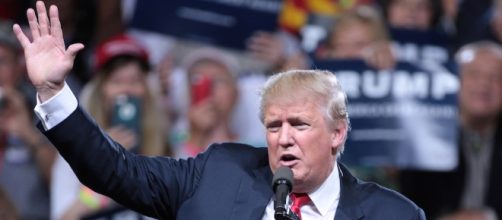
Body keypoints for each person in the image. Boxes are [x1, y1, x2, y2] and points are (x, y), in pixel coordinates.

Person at [13, 1, 425, 219]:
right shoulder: (217, 173)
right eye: (274, 125)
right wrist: (53, 89)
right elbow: (115, 170)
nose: (284, 138)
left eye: (299, 124)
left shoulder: (394, 215)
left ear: (338, 133)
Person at [50, 33, 170, 219]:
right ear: (100, 92)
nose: (126, 89)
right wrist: (104, 163)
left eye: (135, 81)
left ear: (147, 91)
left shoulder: (165, 145)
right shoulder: (74, 151)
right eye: (117, 81)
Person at [399, 41, 502, 220]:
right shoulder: (422, 134)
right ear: (452, 79)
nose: (484, 84)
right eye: (474, 74)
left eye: (496, 77)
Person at [0, 19, 54, 220]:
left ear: (18, 68)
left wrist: (27, 134)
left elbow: (65, 185)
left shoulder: (44, 108)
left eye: (2, 61)